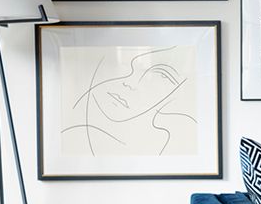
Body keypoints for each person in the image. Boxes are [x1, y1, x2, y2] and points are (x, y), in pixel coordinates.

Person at [61, 45, 197, 157]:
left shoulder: (174, 145)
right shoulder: (74, 134)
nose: (129, 84)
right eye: (128, 67)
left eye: (162, 76)